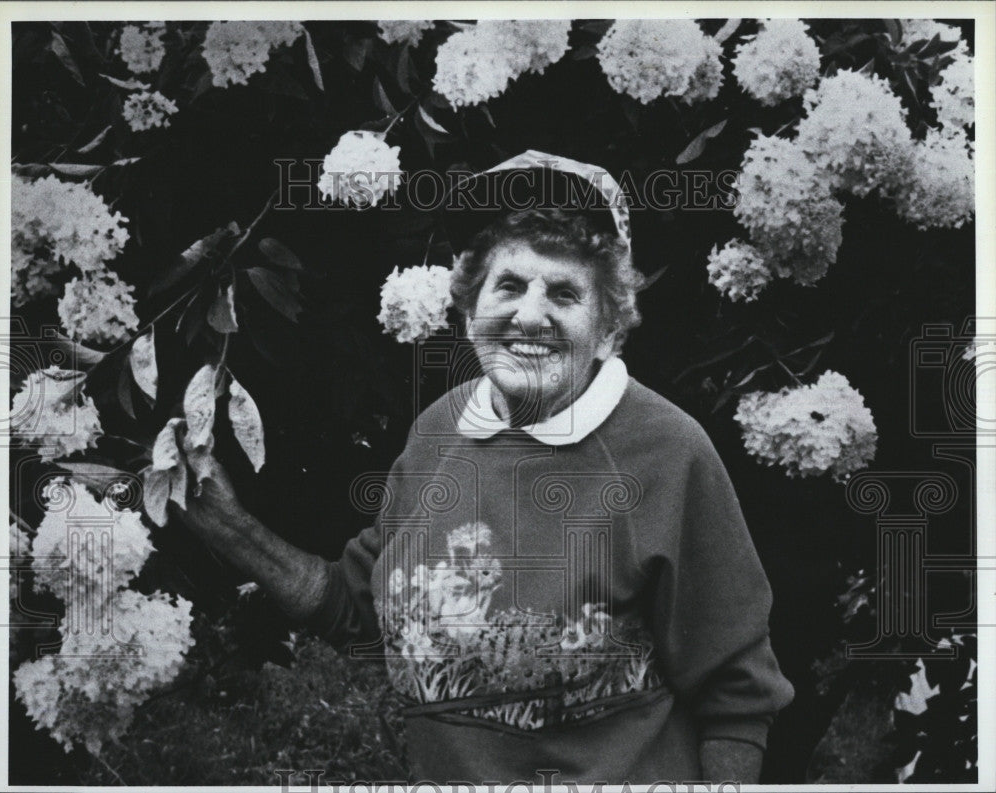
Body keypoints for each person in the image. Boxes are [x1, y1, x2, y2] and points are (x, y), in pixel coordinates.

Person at [178, 152, 794, 784]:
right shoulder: (437, 435)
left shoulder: (666, 452)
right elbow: (360, 610)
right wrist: (226, 525)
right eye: (509, 285)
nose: (529, 314)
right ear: (471, 311)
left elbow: (736, 701)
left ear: (609, 330)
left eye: (563, 292)